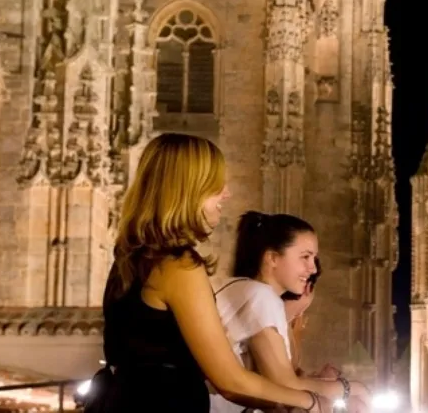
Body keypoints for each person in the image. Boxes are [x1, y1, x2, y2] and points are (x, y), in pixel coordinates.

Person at [84, 133, 327, 413]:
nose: (226, 192)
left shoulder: (131, 256)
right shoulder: (177, 266)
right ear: (188, 188)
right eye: (215, 183)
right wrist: (310, 402)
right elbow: (230, 381)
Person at [211, 212, 370, 413]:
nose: (312, 268)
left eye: (314, 258)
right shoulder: (261, 297)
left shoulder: (245, 290)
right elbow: (284, 386)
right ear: (272, 258)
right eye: (305, 257)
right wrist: (352, 388)